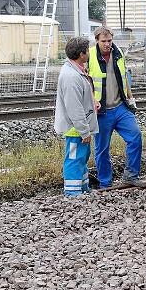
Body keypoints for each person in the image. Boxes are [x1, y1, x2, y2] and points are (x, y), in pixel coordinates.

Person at [88, 27, 146, 188]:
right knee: (102, 150)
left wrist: (130, 97)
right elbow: (86, 81)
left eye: (109, 41)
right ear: (97, 41)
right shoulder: (90, 55)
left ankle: (131, 175)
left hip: (121, 107)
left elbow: (124, 77)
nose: (107, 44)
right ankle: (105, 184)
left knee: (135, 137)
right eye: (103, 41)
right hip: (102, 112)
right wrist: (92, 100)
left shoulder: (118, 53)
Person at [54, 36, 99, 196]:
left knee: (81, 157)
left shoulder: (76, 71)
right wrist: (84, 131)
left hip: (79, 127)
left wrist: (93, 103)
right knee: (74, 159)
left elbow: (81, 99)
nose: (89, 53)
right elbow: (74, 108)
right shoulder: (71, 76)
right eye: (87, 50)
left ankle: (83, 187)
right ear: (81, 54)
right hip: (76, 129)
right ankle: (73, 193)